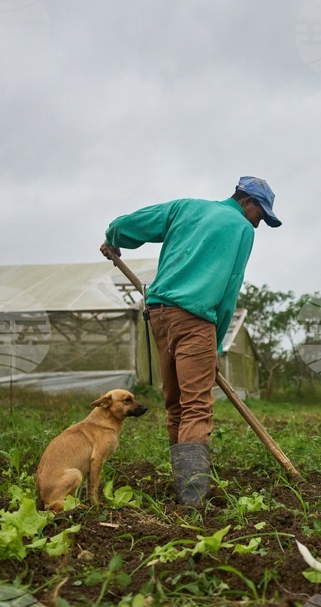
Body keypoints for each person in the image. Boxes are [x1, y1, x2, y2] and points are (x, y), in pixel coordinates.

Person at [100, 177, 282, 506]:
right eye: (261, 215)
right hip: (195, 319)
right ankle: (194, 497)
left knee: (177, 405)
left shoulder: (187, 207)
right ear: (247, 203)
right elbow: (230, 288)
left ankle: (183, 488)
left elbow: (127, 225)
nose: (260, 223)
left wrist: (114, 239)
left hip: (158, 314)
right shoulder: (242, 229)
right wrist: (214, 345)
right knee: (196, 406)